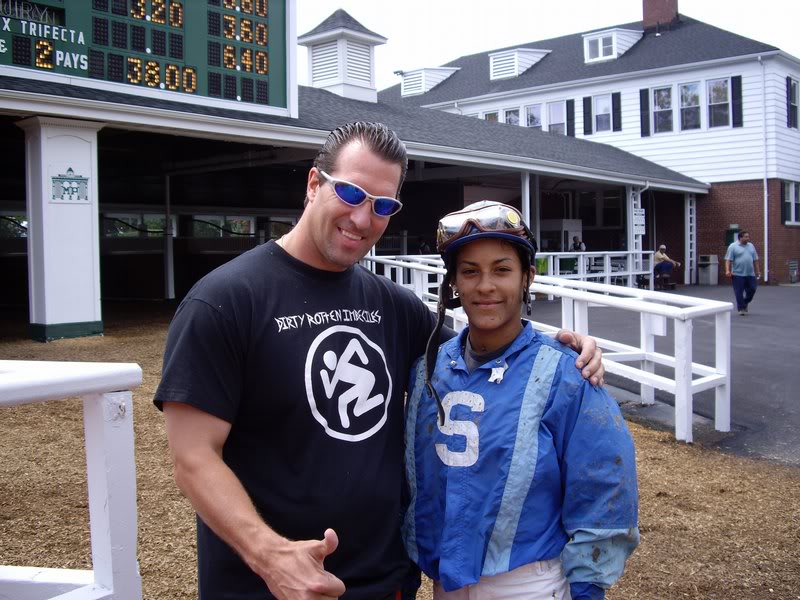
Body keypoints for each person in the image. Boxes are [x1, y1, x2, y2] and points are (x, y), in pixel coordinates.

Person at [154, 122, 606, 600]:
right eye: (350, 192)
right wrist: (270, 556)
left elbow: (486, 357)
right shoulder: (225, 302)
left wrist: (561, 345)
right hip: (271, 587)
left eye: (383, 205)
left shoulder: (395, 306)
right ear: (313, 184)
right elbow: (192, 458)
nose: (363, 218)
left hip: (386, 582)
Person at [404, 201, 639, 600]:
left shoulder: (569, 375)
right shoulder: (430, 368)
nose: (485, 286)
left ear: (528, 276)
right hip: (443, 584)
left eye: (502, 270)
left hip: (529, 585)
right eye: (470, 272)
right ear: (454, 284)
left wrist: (586, 589)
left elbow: (603, 492)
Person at [725, 230, 761, 315]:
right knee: (739, 292)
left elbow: (755, 259)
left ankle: (745, 302)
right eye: (746, 237)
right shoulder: (733, 246)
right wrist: (727, 270)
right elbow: (728, 260)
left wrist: (758, 271)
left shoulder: (751, 246)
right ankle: (741, 308)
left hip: (750, 274)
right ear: (740, 237)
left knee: (752, 289)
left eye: (748, 236)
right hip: (737, 274)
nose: (748, 238)